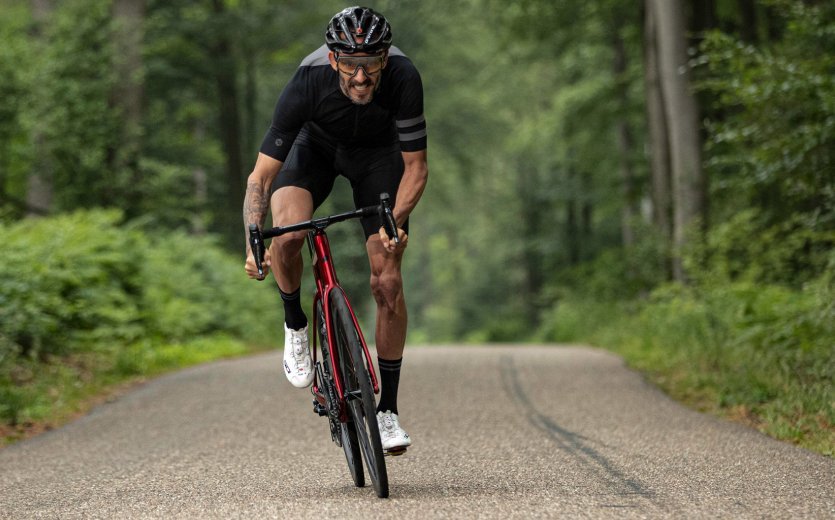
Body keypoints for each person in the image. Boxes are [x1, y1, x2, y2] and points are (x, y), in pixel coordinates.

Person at [242, 6, 428, 453]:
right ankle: (295, 325)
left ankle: (387, 413)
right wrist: (252, 237)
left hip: (378, 157)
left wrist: (394, 223)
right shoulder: (307, 82)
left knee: (387, 280)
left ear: (385, 58)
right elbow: (261, 178)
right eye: (350, 65)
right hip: (316, 149)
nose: (361, 78)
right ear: (333, 60)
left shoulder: (404, 77)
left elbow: (415, 169)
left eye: (371, 65)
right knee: (287, 236)